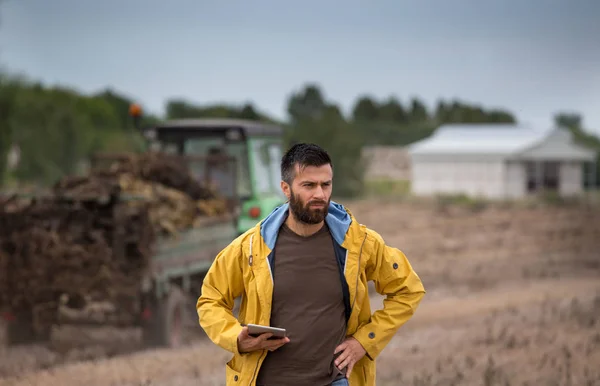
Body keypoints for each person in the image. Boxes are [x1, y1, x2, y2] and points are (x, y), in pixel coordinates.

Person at [197, 143, 426, 386]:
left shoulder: (360, 244)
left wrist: (365, 341)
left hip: (334, 381)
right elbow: (210, 300)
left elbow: (407, 290)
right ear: (286, 188)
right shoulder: (250, 248)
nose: (320, 194)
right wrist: (237, 338)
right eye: (308, 185)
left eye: (325, 184)